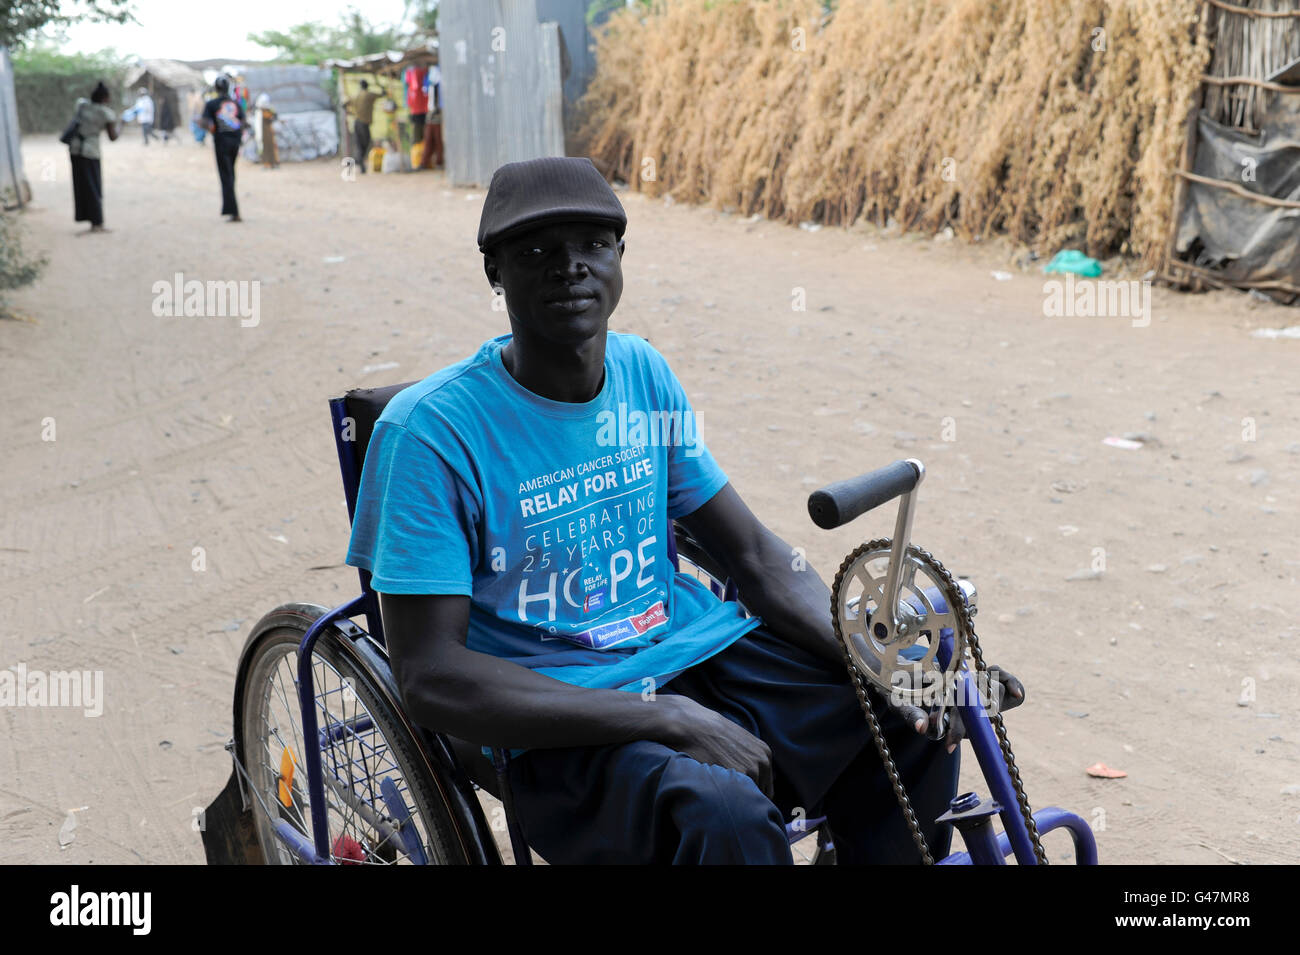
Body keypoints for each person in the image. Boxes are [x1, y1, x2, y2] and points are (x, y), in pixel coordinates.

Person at [345, 157, 1026, 864]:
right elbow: (431, 677)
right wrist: (660, 715)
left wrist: (883, 664)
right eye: (536, 252)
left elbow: (757, 559)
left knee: (906, 716)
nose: (569, 267)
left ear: (620, 258)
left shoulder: (641, 372)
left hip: (699, 652)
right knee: (721, 813)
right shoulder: (429, 432)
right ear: (494, 272)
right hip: (559, 714)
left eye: (591, 245)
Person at [67, 81, 119, 234]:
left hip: (75, 149)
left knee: (81, 186)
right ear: (105, 98)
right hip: (90, 152)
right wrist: (121, 124)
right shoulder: (105, 113)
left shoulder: (82, 105)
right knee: (94, 187)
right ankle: (97, 223)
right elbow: (113, 137)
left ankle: (90, 220)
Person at [199, 76, 245, 222]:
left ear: (216, 88)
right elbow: (243, 122)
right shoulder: (235, 103)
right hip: (235, 143)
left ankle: (234, 211)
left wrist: (212, 128)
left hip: (221, 144)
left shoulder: (212, 104)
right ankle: (233, 210)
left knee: (226, 176)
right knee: (231, 173)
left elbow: (205, 122)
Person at [343, 78, 383, 174]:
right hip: (363, 124)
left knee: (359, 144)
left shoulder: (355, 95)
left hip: (356, 122)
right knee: (365, 143)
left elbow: (344, 104)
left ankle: (357, 160)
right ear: (367, 86)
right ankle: (359, 161)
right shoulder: (368, 95)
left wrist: (350, 113)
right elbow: (382, 94)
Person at [419, 64, 443, 170]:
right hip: (430, 116)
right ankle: (424, 162)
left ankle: (439, 162)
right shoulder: (430, 84)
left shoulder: (440, 85)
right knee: (428, 139)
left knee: (438, 141)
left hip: (438, 117)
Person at [254, 92, 279, 169]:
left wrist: (272, 117)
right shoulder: (259, 111)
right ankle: (266, 163)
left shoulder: (268, 110)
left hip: (268, 131)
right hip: (263, 132)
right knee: (264, 147)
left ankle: (273, 163)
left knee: (271, 147)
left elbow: (274, 116)